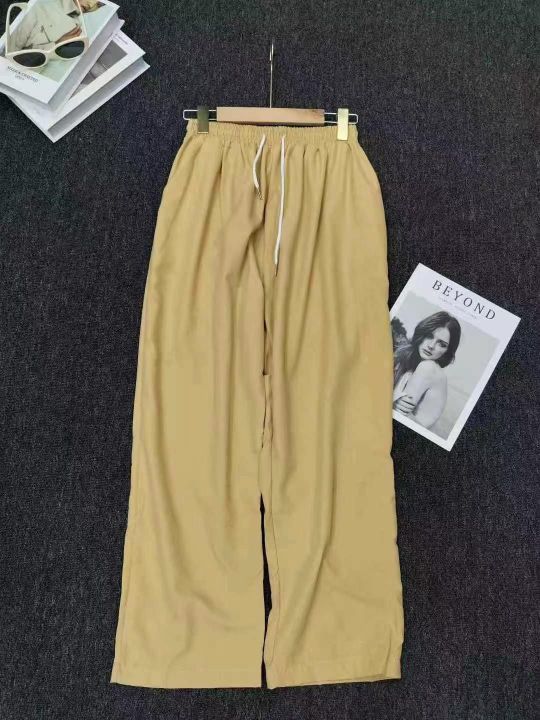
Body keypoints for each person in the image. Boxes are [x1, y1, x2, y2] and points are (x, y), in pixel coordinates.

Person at [392, 310, 461, 429]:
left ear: (447, 351)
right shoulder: (418, 364)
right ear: (422, 333)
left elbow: (399, 416)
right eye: (429, 336)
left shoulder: (428, 368)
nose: (431, 346)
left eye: (442, 344)